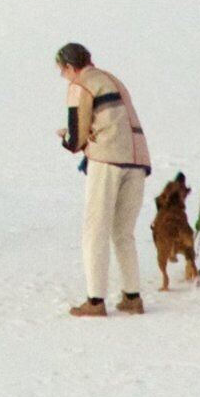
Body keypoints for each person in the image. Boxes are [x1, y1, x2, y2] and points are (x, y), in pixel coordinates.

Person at [54, 42, 151, 316]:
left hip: (107, 159)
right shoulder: (112, 79)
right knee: (123, 232)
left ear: (70, 67)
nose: (63, 76)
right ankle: (132, 296)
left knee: (95, 229)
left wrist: (65, 138)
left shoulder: (81, 84)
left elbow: (76, 137)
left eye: (62, 71)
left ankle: (95, 300)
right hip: (137, 158)